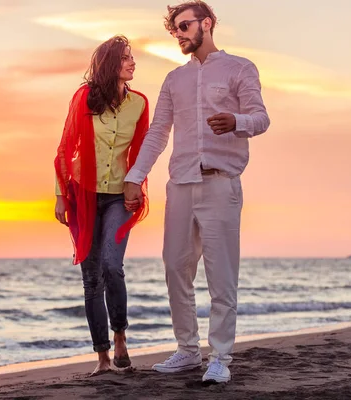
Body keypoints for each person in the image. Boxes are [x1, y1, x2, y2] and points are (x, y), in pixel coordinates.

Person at [123, 1, 270, 384]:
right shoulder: (174, 79)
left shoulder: (240, 68)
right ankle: (188, 350)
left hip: (221, 183)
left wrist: (236, 121)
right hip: (181, 185)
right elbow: (158, 133)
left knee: (221, 275)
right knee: (175, 267)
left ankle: (220, 356)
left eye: (185, 26)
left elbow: (261, 118)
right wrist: (136, 176)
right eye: (175, 30)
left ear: (207, 23)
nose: (180, 34)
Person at [54, 35, 150, 376]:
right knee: (91, 279)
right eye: (126, 58)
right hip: (84, 195)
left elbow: (142, 151)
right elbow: (65, 147)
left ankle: (120, 333)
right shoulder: (83, 98)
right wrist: (60, 194)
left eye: (132, 57)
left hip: (119, 196)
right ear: (111, 64)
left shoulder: (139, 103)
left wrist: (135, 183)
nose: (133, 62)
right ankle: (102, 357)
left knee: (112, 265)